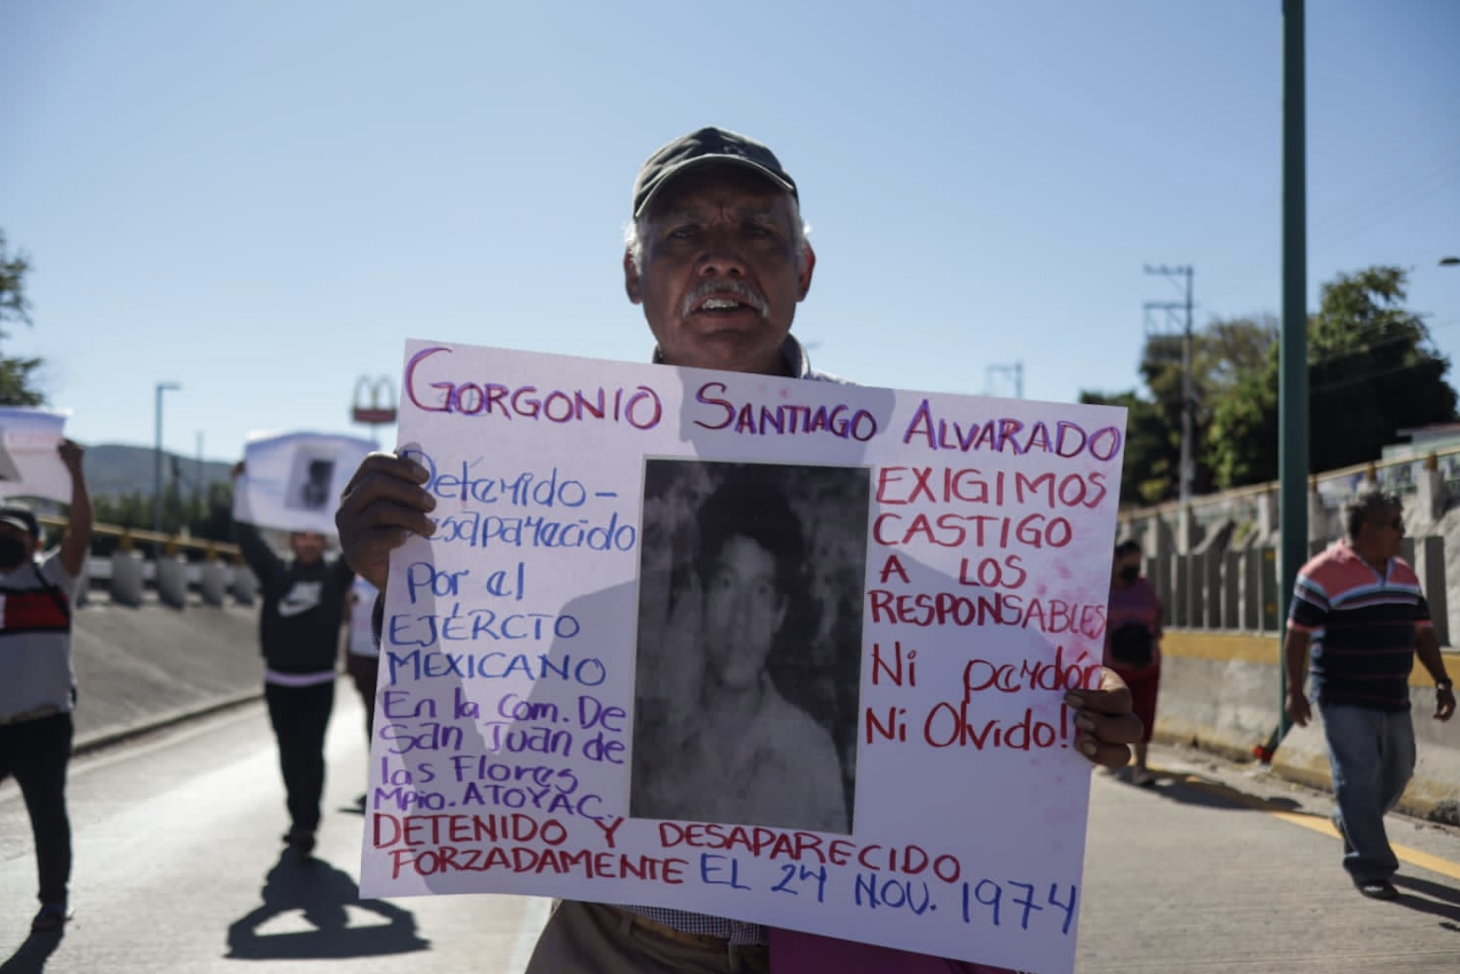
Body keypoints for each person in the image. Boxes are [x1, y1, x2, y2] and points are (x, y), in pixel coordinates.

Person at [335, 125, 1142, 973]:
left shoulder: (916, 468)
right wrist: (409, 589)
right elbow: (470, 795)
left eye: (757, 230)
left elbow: (986, 656)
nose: (722, 257)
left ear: (803, 269)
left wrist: (1065, 700)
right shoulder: (536, 494)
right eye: (683, 233)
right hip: (621, 948)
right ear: (632, 274)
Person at [631, 478, 848, 833]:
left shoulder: (812, 756)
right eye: (726, 585)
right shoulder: (654, 747)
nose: (740, 620)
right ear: (701, 596)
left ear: (779, 614)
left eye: (761, 593)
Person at [1284, 490, 1455, 901]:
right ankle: (1370, 865)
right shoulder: (1321, 573)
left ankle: (1351, 819)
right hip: (1342, 695)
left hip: (1392, 694)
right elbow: (1297, 637)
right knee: (1357, 775)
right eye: (1395, 523)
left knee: (1400, 767)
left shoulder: (1404, 574)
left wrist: (1442, 680)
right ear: (1368, 529)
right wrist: (1294, 690)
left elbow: (1423, 632)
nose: (1402, 531)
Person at [232, 461, 355, 857]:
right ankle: (296, 816)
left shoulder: (336, 577)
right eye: (300, 536)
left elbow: (358, 542)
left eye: (314, 537)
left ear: (324, 542)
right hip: (279, 682)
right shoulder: (275, 574)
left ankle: (307, 823)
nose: (307, 542)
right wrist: (242, 488)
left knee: (312, 753)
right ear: (291, 541)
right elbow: (246, 537)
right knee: (288, 753)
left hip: (318, 682)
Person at [0, 439, 92, 934]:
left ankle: (53, 902)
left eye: (12, 534)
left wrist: (75, 473)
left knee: (47, 817)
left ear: (36, 542)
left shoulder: (55, 579)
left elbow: (80, 532)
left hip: (43, 724)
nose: (3, 540)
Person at [1104, 538, 1163, 787]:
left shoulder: (1143, 586)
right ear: (1115, 561)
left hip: (1146, 664)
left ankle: (1141, 766)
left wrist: (1156, 632)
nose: (1133, 569)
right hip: (1114, 666)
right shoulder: (1103, 590)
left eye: (1137, 564)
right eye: (1129, 563)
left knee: (1144, 714)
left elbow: (1159, 611)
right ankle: (1109, 758)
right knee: (1112, 714)